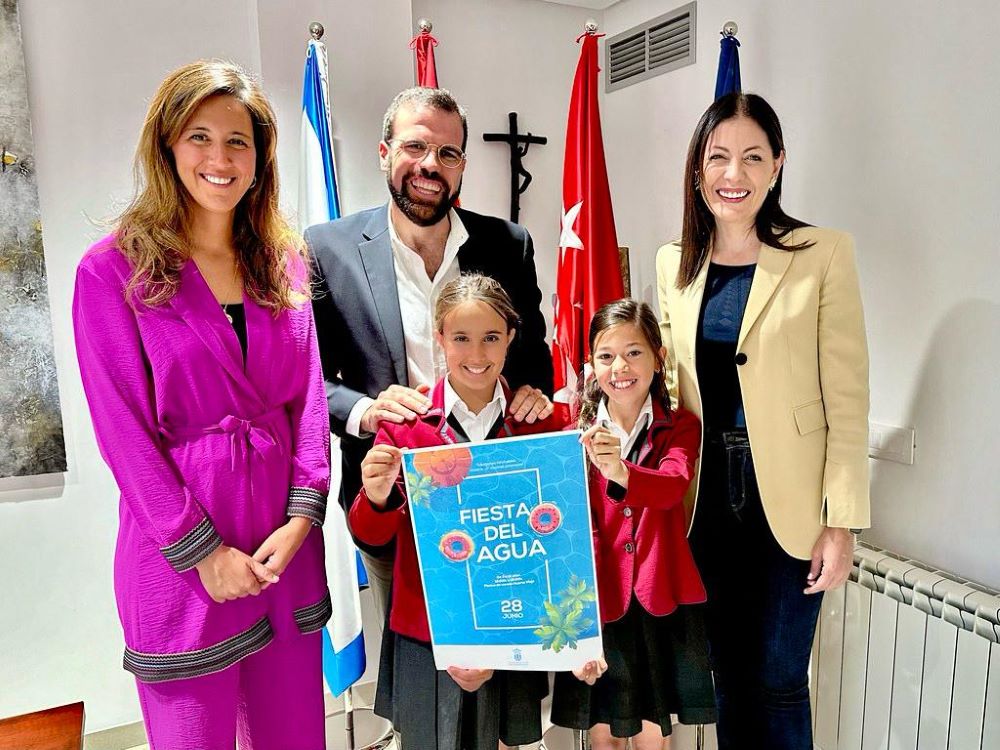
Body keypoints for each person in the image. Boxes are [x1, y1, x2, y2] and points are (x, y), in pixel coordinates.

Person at [72, 60, 330, 749]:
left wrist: (302, 517)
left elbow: (308, 402)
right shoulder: (111, 272)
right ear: (167, 146)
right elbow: (123, 435)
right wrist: (204, 553)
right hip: (182, 568)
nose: (220, 159)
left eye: (237, 141)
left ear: (260, 156)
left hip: (282, 553)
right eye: (199, 137)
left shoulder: (283, 262)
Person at [655, 92, 870, 750]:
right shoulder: (674, 263)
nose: (734, 174)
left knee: (779, 678)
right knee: (727, 675)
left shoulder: (822, 253)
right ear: (698, 170)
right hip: (705, 503)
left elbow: (847, 396)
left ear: (778, 164)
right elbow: (671, 388)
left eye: (752, 157)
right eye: (718, 157)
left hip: (792, 503)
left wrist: (842, 521)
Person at [307, 87, 553, 623]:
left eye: (447, 153)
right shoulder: (327, 249)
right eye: (415, 147)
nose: (430, 165)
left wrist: (535, 391)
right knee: (413, 655)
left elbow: (533, 352)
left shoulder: (509, 244)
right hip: (392, 496)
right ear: (384, 153)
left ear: (462, 164)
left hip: (500, 500)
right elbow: (307, 380)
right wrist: (365, 410)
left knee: (504, 637)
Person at [349, 274, 558, 750]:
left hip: (513, 622)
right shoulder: (405, 427)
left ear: (511, 337)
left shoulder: (539, 426)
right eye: (461, 338)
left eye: (491, 337)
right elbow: (371, 536)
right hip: (428, 629)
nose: (477, 353)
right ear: (439, 337)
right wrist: (376, 495)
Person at [550, 300, 716, 749]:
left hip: (659, 598)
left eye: (634, 352)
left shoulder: (681, 426)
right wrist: (577, 623)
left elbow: (672, 485)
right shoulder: (570, 435)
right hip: (596, 601)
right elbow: (566, 527)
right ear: (591, 365)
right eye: (606, 356)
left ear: (658, 358)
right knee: (603, 734)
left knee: (652, 733)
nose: (620, 367)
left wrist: (620, 471)